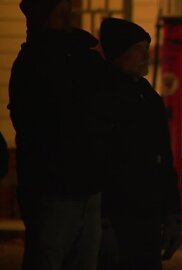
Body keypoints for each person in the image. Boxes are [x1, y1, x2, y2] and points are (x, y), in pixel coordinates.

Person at [8, 0, 108, 269]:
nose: (67, 20)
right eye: (61, 14)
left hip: (71, 182)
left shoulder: (58, 56)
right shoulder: (47, 60)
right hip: (55, 185)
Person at [97, 17, 182, 270]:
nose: (146, 55)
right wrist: (104, 221)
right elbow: (99, 158)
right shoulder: (104, 96)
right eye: (139, 49)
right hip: (120, 214)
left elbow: (165, 158)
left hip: (148, 214)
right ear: (120, 52)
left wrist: (172, 214)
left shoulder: (147, 96)